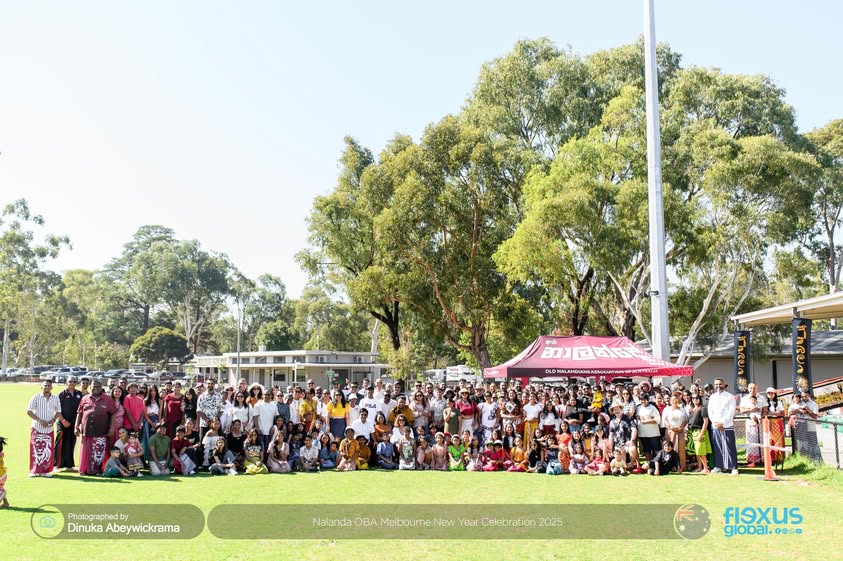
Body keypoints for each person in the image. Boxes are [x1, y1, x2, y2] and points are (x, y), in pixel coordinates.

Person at [75, 380, 118, 476]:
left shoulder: (107, 399)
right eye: (93, 387)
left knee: (99, 451)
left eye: (98, 387)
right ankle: (84, 470)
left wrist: (111, 429)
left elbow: (114, 414)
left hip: (101, 430)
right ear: (90, 387)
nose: (95, 389)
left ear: (101, 387)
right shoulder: (85, 398)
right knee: (86, 451)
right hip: (87, 430)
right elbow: (79, 413)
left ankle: (98, 470)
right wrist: (76, 426)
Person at [27, 380, 62, 477]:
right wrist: (39, 420)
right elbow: (29, 411)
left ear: (52, 387)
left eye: (49, 386)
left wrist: (53, 420)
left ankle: (46, 471)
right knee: (35, 449)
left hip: (49, 429)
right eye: (45, 386)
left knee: (48, 450)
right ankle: (34, 471)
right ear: (41, 387)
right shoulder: (36, 397)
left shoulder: (55, 398)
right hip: (37, 427)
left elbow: (58, 411)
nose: (47, 387)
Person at [707, 378, 739, 475]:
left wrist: (723, 422)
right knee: (717, 447)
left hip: (727, 425)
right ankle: (718, 466)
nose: (718, 386)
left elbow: (731, 411)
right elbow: (710, 411)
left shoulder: (730, 397)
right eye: (716, 384)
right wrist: (716, 422)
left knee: (729, 446)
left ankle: (733, 467)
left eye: (720, 384)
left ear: (724, 385)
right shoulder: (712, 397)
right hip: (715, 426)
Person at [55, 376, 83, 471]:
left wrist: (78, 423)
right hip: (63, 423)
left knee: (71, 443)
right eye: (70, 381)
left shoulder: (79, 394)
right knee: (60, 443)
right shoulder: (62, 394)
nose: (72, 383)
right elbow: (57, 409)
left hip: (74, 424)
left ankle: (69, 465)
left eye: (74, 381)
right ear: (66, 383)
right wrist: (63, 420)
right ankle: (56, 465)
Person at [789, 391, 822, 462]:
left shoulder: (813, 404)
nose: (804, 398)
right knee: (802, 444)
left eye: (806, 396)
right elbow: (791, 412)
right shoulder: (799, 403)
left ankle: (817, 460)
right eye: (803, 396)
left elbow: (815, 416)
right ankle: (804, 460)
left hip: (811, 427)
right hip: (802, 427)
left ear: (809, 395)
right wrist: (798, 411)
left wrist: (807, 410)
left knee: (813, 444)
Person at [739, 383, 767, 467]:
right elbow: (741, 410)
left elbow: (765, 409)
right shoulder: (744, 398)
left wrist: (761, 417)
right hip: (750, 422)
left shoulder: (761, 398)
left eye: (754, 388)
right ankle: (751, 461)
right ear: (748, 389)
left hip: (760, 422)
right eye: (750, 388)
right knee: (751, 441)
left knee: (761, 440)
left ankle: (762, 460)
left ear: (757, 389)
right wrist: (751, 409)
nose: (752, 390)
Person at [686, 394, 711, 473]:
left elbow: (706, 421)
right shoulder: (692, 410)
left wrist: (702, 433)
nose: (695, 399)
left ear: (700, 399)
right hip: (692, 432)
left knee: (701, 451)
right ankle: (700, 468)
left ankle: (706, 468)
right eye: (693, 398)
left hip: (700, 431)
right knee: (697, 451)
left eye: (697, 398)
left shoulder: (703, 409)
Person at [662, 396, 688, 473]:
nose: (674, 402)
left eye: (676, 400)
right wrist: (671, 427)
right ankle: (671, 467)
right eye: (673, 400)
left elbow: (686, 420)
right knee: (670, 449)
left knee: (681, 450)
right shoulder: (666, 409)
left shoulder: (682, 410)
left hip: (680, 431)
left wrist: (681, 427)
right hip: (670, 432)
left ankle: (681, 467)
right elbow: (664, 420)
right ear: (670, 401)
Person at [635, 394, 662, 464]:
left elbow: (658, 420)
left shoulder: (653, 408)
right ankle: (649, 464)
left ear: (648, 400)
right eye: (641, 400)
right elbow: (637, 418)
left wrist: (647, 421)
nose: (643, 401)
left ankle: (659, 464)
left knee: (656, 450)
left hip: (653, 433)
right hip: (643, 433)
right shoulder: (638, 408)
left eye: (644, 400)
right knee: (646, 450)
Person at [764, 387, 786, 466]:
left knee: (777, 439)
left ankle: (779, 458)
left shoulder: (779, 402)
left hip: (777, 422)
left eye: (771, 393)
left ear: (774, 394)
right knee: (768, 439)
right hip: (768, 422)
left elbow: (783, 413)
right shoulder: (765, 402)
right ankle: (770, 458)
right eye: (768, 393)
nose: (770, 394)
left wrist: (775, 414)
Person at [252, 388, 277, 454]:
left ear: (271, 395)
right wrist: (258, 428)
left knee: (268, 450)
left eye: (269, 394)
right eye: (265, 394)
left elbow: (276, 417)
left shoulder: (274, 405)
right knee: (260, 451)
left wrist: (274, 428)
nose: (267, 396)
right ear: (263, 395)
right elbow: (255, 417)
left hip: (270, 432)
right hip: (261, 432)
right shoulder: (258, 405)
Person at [0, 436, 8, 507]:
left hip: (0, 475)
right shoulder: (1, 453)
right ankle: (5, 503)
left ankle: (3, 493)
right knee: (0, 487)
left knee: (1, 490)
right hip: (3, 474)